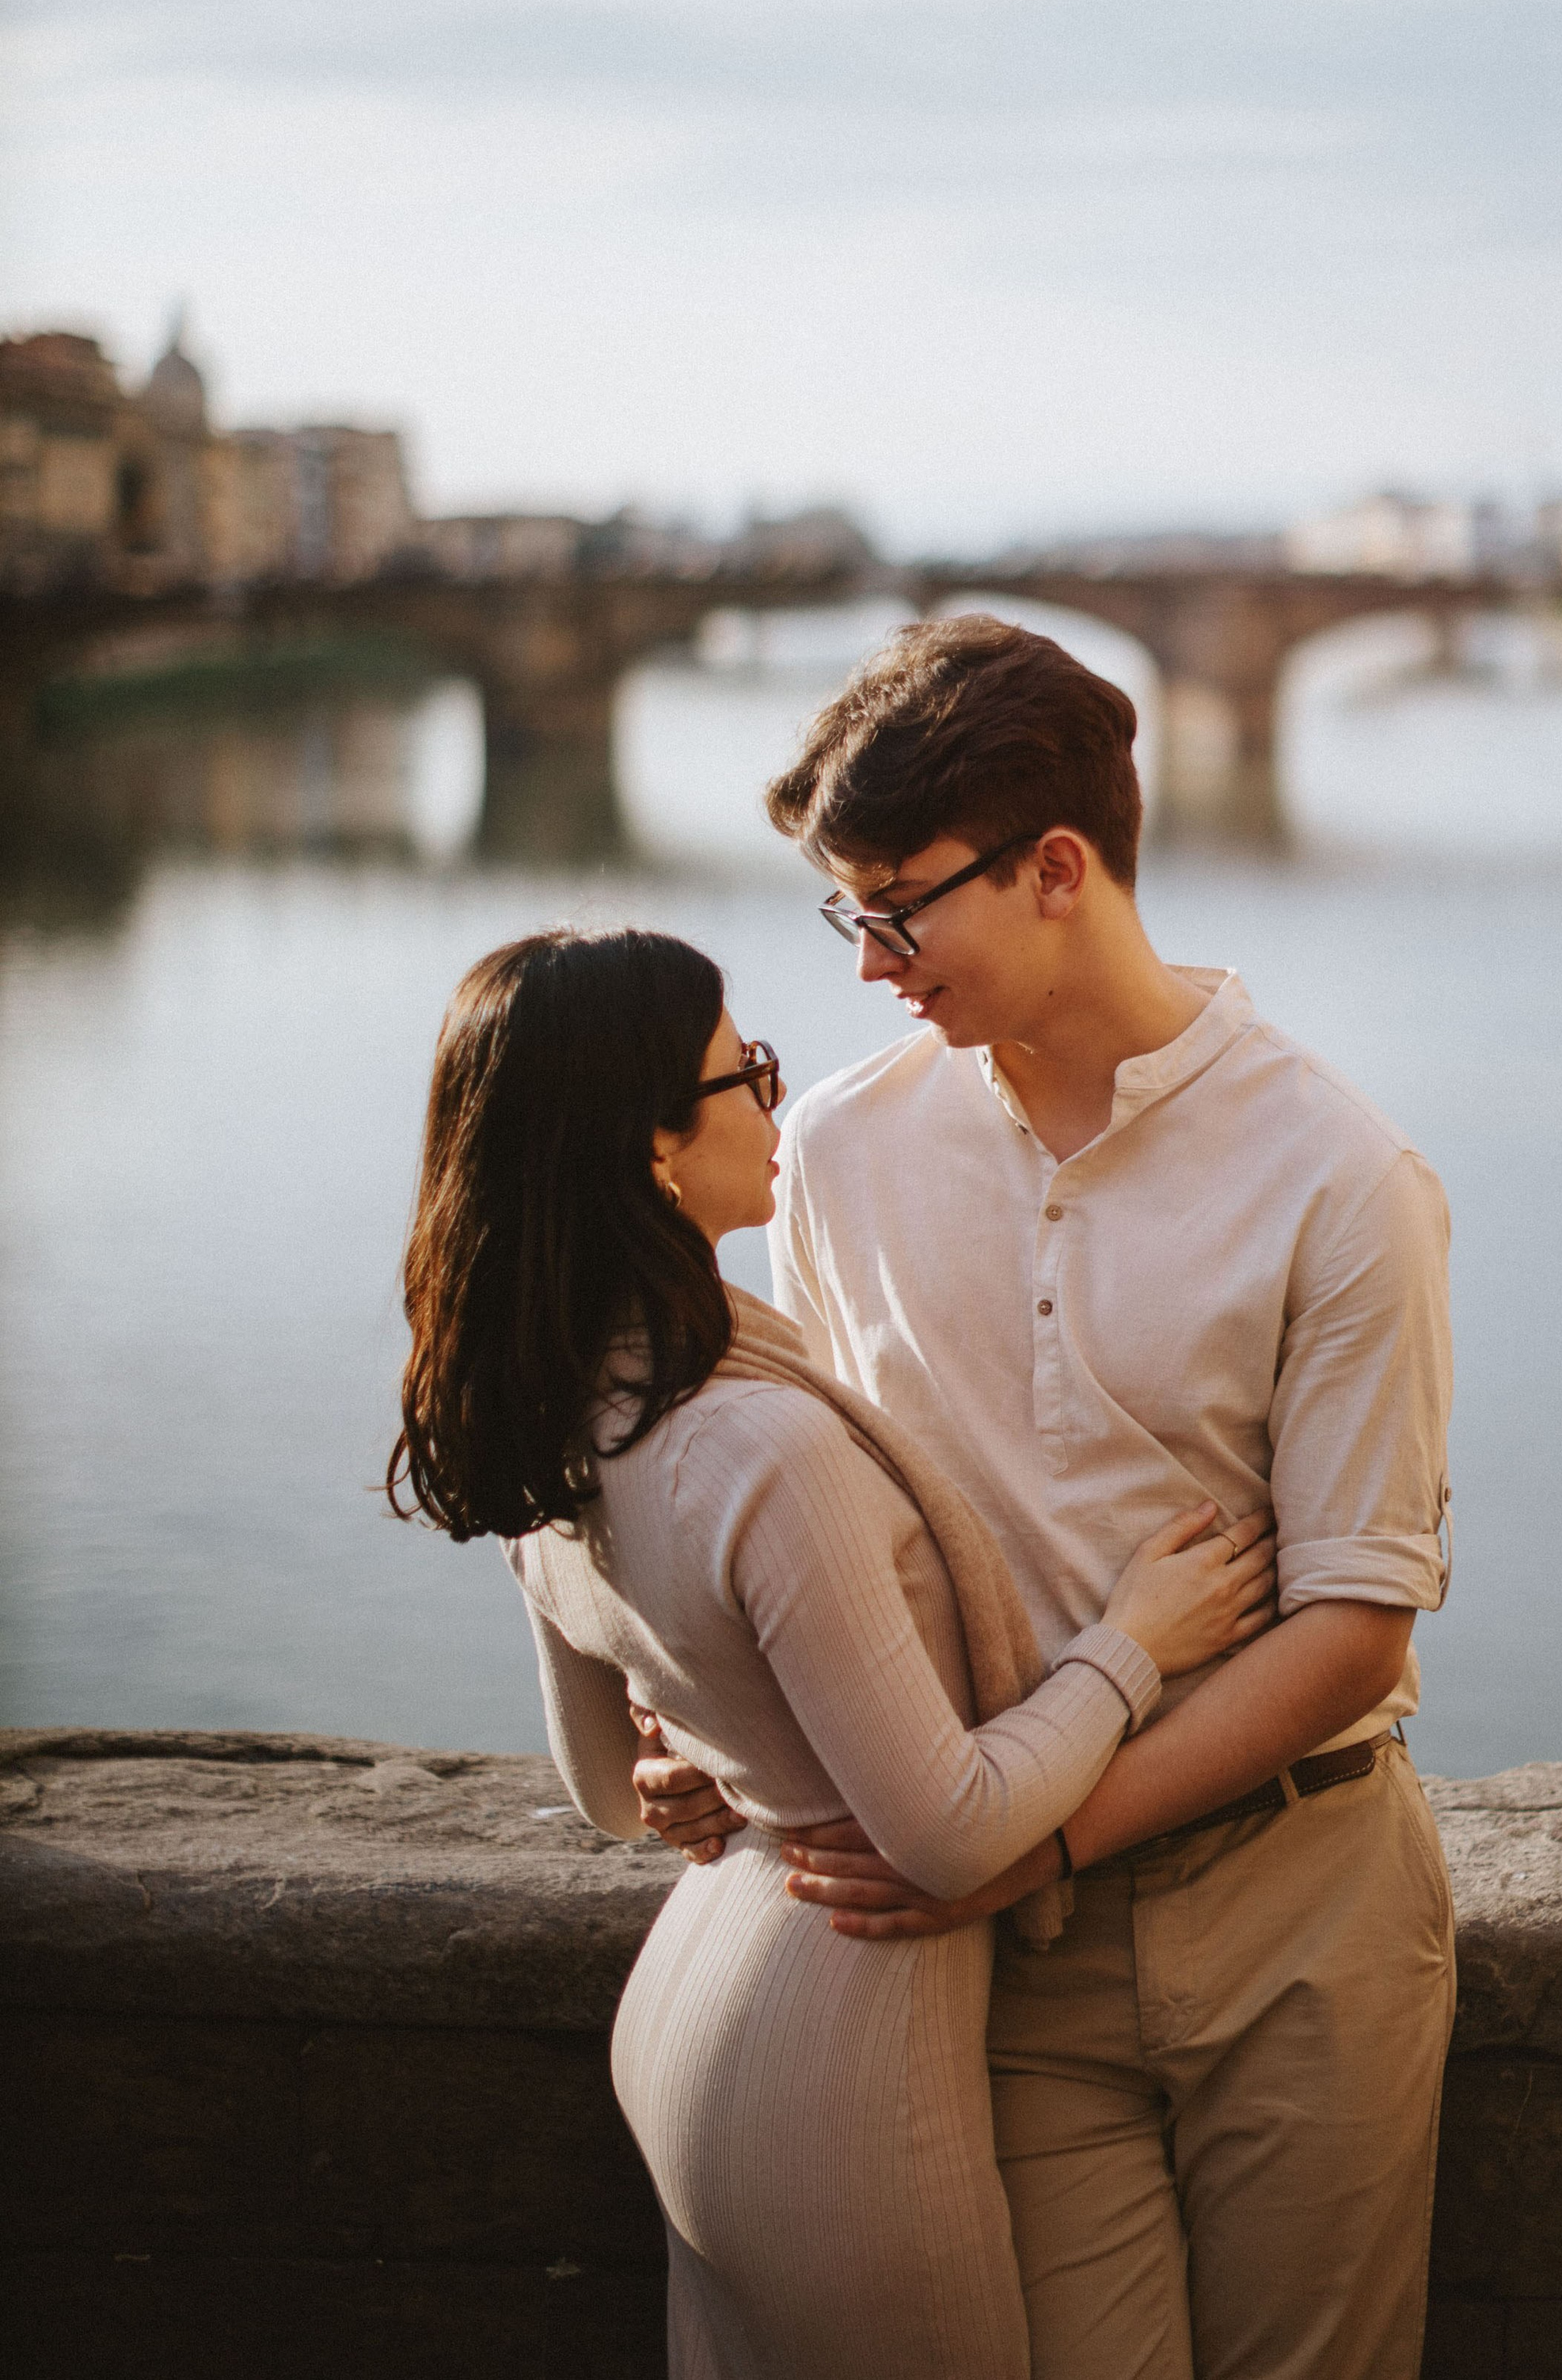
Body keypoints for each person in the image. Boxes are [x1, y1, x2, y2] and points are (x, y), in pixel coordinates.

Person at [634, 615, 1458, 2380]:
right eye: (843, 914)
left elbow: (1351, 1626)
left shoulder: (1340, 1177)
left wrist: (1034, 1838)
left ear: (1056, 867)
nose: (865, 965)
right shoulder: (846, 1156)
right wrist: (714, 1724)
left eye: (894, 908)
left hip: (1293, 1905)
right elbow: (833, 1534)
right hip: (1004, 1946)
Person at [385, 926, 1275, 2380]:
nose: (778, 1106)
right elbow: (945, 1832)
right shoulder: (757, 1440)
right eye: (750, 1073)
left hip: (697, 2012)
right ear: (653, 1148)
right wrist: (1131, 1644)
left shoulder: (553, 1406)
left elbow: (613, 1792)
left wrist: (721, 1753)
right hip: (837, 2062)